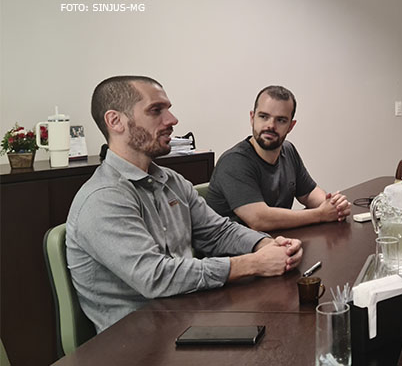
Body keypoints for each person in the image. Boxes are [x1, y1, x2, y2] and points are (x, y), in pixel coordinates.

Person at [66, 76, 304, 332]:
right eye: (156, 110)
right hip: (139, 343)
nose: (172, 120)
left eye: (168, 109)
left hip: (185, 317)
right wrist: (256, 262)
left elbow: (218, 231)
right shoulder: (103, 197)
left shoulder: (171, 181)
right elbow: (155, 276)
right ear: (115, 121)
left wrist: (266, 244)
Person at [206, 85, 351, 231]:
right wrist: (320, 214)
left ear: (291, 126)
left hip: (274, 243)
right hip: (231, 251)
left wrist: (333, 205)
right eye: (263, 116)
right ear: (252, 118)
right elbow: (259, 220)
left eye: (281, 120)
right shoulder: (234, 161)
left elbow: (308, 193)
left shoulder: (288, 150)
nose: (270, 125)